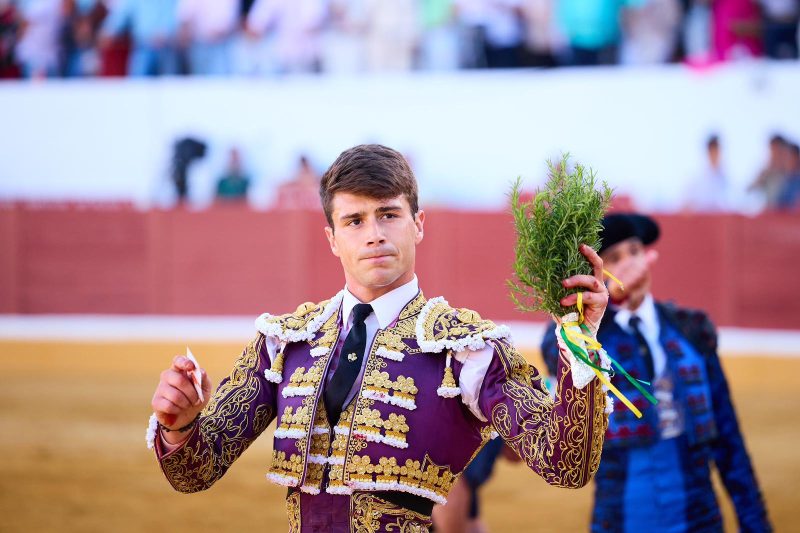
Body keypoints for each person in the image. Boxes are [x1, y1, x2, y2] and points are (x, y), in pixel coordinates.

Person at [147, 144, 611, 531]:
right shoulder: (285, 342)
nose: (374, 235)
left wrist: (581, 340)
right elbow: (197, 472)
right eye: (354, 221)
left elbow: (564, 463)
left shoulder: (466, 348)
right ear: (332, 238)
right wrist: (179, 424)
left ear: (419, 223)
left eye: (388, 215)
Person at [541, 213, 771, 533]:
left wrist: (756, 525)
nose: (630, 264)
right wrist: (607, 301)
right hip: (619, 516)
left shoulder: (691, 328)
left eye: (635, 252)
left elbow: (729, 439)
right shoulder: (589, 335)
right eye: (614, 259)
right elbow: (553, 353)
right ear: (599, 273)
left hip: (699, 516)